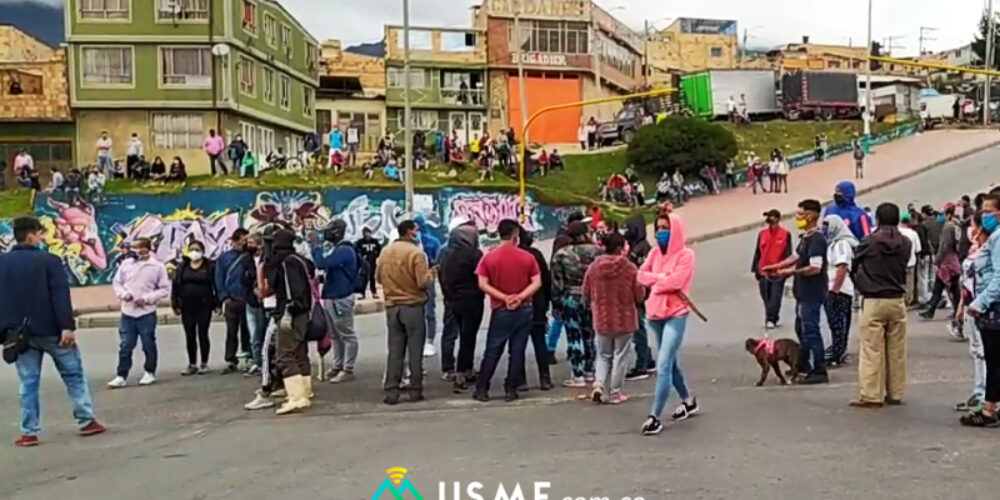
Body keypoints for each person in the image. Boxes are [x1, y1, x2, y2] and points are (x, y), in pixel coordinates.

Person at [1, 216, 106, 447]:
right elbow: (60, 296)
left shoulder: (3, 263)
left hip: (18, 335)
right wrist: (67, 327)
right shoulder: (49, 260)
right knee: (73, 375)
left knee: (27, 382)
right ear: (31, 235)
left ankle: (29, 431)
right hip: (52, 330)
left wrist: (5, 331)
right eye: (40, 233)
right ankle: (86, 420)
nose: (42, 237)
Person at [638, 213, 699, 435]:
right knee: (670, 363)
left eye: (666, 228)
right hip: (654, 314)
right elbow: (641, 275)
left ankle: (655, 416)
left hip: (676, 313)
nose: (661, 233)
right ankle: (688, 400)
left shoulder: (686, 255)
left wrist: (658, 280)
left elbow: (677, 281)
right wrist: (662, 278)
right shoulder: (655, 253)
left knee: (663, 362)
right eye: (658, 228)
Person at [850, 203, 912, 408]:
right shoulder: (905, 242)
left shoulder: (869, 242)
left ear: (877, 219)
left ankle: (871, 394)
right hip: (897, 299)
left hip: (873, 299)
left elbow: (854, 264)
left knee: (871, 350)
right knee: (896, 351)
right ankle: (895, 392)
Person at [473, 219, 541, 402]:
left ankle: (482, 388)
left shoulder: (489, 257)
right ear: (515, 236)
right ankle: (511, 388)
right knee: (517, 350)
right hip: (524, 308)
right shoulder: (527, 258)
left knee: (493, 350)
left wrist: (504, 297)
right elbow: (537, 282)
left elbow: (482, 284)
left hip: (501, 309)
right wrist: (519, 297)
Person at [762, 199, 829, 385]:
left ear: (810, 216)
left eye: (800, 214)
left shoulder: (817, 239)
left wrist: (789, 272)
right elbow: (795, 257)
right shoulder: (806, 237)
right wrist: (775, 267)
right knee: (802, 329)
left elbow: (815, 267)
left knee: (811, 331)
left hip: (812, 293)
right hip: (803, 293)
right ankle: (803, 365)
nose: (797, 217)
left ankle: (819, 369)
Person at [583, 232, 644, 404]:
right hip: (624, 318)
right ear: (619, 248)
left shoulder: (594, 267)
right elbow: (639, 294)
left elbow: (585, 291)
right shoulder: (629, 268)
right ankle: (615, 392)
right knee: (620, 355)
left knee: (602, 355)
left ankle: (599, 383)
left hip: (601, 317)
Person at [378, 220, 433, 405]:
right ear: (409, 232)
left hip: (392, 306)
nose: (418, 233)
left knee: (395, 350)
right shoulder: (416, 253)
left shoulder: (385, 252)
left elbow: (377, 277)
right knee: (415, 351)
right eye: (416, 230)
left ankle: (391, 390)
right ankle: (415, 390)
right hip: (413, 305)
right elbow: (422, 282)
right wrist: (432, 274)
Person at [263, 228, 316, 415]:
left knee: (284, 354)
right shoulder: (299, 260)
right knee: (299, 352)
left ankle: (296, 397)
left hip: (290, 313)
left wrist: (287, 311)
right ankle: (305, 391)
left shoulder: (285, 263)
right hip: (303, 313)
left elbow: (290, 290)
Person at [108, 237, 170, 388]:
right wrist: (124, 295)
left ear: (145, 249)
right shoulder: (126, 264)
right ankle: (121, 375)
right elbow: (117, 283)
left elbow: (164, 289)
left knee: (148, 343)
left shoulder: (157, 266)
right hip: (128, 311)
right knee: (126, 345)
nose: (132, 252)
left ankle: (149, 372)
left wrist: (147, 298)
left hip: (146, 312)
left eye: (136, 249)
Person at [961, 196, 1000, 426]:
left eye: (988, 210)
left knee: (994, 361)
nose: (983, 215)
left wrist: (980, 303)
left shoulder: (997, 239)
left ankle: (988, 410)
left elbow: (998, 277)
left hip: (994, 309)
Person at [438, 219, 486, 391]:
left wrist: (448, 296)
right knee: (468, 336)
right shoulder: (474, 255)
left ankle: (462, 368)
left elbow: (441, 276)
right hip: (472, 300)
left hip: (453, 300)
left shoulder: (446, 254)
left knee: (457, 333)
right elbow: (481, 276)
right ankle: (462, 372)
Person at [551, 222, 600, 388]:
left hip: (570, 297)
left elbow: (557, 282)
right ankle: (590, 371)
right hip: (592, 297)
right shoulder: (598, 252)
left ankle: (577, 373)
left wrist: (555, 303)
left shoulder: (561, 254)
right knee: (589, 334)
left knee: (573, 336)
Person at [310, 220, 360, 384]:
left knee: (346, 334)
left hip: (341, 297)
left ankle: (349, 369)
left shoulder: (345, 250)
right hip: (332, 296)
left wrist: (315, 246)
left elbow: (322, 263)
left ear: (337, 232)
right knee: (335, 335)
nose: (326, 234)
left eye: (329, 231)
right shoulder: (338, 250)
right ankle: (338, 365)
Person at [955, 211, 987, 413]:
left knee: (984, 351)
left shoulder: (989, 249)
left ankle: (985, 394)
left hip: (982, 304)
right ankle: (979, 390)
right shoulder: (976, 250)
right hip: (971, 302)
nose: (971, 230)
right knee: (976, 350)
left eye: (973, 225)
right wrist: (961, 305)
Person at [516, 225, 553, 392]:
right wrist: (547, 303)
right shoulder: (536, 255)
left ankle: (520, 379)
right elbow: (546, 280)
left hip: (516, 305)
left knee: (518, 344)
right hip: (537, 304)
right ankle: (545, 377)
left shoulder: (513, 255)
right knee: (539, 343)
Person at [171, 241, 216, 375]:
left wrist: (217, 304)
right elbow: (175, 286)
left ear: (202, 251)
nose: (194, 252)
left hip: (204, 304)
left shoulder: (210, 266)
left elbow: (215, 285)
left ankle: (204, 363)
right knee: (190, 334)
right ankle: (192, 363)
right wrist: (175, 304)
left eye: (197, 249)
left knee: (203, 333)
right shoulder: (182, 267)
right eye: (192, 249)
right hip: (187, 305)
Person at [822, 214, 859, 367]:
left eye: (827, 225)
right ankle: (837, 350)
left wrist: (835, 289)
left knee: (839, 324)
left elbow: (842, 266)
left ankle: (837, 353)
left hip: (840, 290)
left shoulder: (841, 244)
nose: (824, 229)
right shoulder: (832, 244)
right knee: (834, 323)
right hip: (832, 288)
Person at [215, 229, 253, 374]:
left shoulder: (249, 256)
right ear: (235, 241)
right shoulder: (225, 258)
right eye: (243, 240)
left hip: (247, 299)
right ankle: (230, 359)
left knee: (248, 330)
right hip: (231, 300)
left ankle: (249, 356)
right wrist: (224, 297)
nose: (245, 243)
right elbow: (219, 278)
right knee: (231, 332)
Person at [920, 203, 963, 325]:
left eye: (942, 214)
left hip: (947, 261)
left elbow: (944, 246)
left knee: (942, 287)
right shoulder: (956, 224)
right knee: (949, 288)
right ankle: (934, 310)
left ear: (948, 214)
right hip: (953, 259)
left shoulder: (947, 227)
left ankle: (932, 310)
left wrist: (937, 260)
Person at [623, 215, 655, 380]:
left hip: (637, 292)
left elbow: (631, 270)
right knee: (639, 325)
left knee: (638, 328)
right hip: (642, 290)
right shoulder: (642, 246)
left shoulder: (638, 249)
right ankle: (647, 359)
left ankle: (641, 364)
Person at [752, 209, 792, 329]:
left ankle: (771, 318)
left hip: (778, 272)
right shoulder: (762, 234)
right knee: (766, 296)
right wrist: (755, 269)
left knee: (775, 296)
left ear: (778, 219)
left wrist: (785, 270)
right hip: (763, 271)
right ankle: (771, 315)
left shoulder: (785, 234)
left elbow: (788, 253)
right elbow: (758, 252)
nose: (769, 219)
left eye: (772, 217)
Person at [414, 215, 441, 357]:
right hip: (412, 280)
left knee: (429, 310)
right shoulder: (408, 244)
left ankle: (429, 341)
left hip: (428, 278)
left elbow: (437, 262)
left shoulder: (432, 242)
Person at [899, 212, 923, 307]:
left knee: (900, 281)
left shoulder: (897, 232)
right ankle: (907, 301)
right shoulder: (913, 233)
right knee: (909, 283)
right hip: (911, 261)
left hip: (898, 262)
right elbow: (918, 249)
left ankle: (900, 299)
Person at [356, 228, 382, 299]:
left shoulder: (375, 241)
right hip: (364, 263)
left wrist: (376, 256)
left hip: (373, 261)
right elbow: (357, 251)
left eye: (368, 233)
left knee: (372, 278)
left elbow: (379, 249)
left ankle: (374, 292)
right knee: (364, 278)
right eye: (365, 233)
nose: (367, 235)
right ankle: (362, 293)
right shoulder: (360, 242)